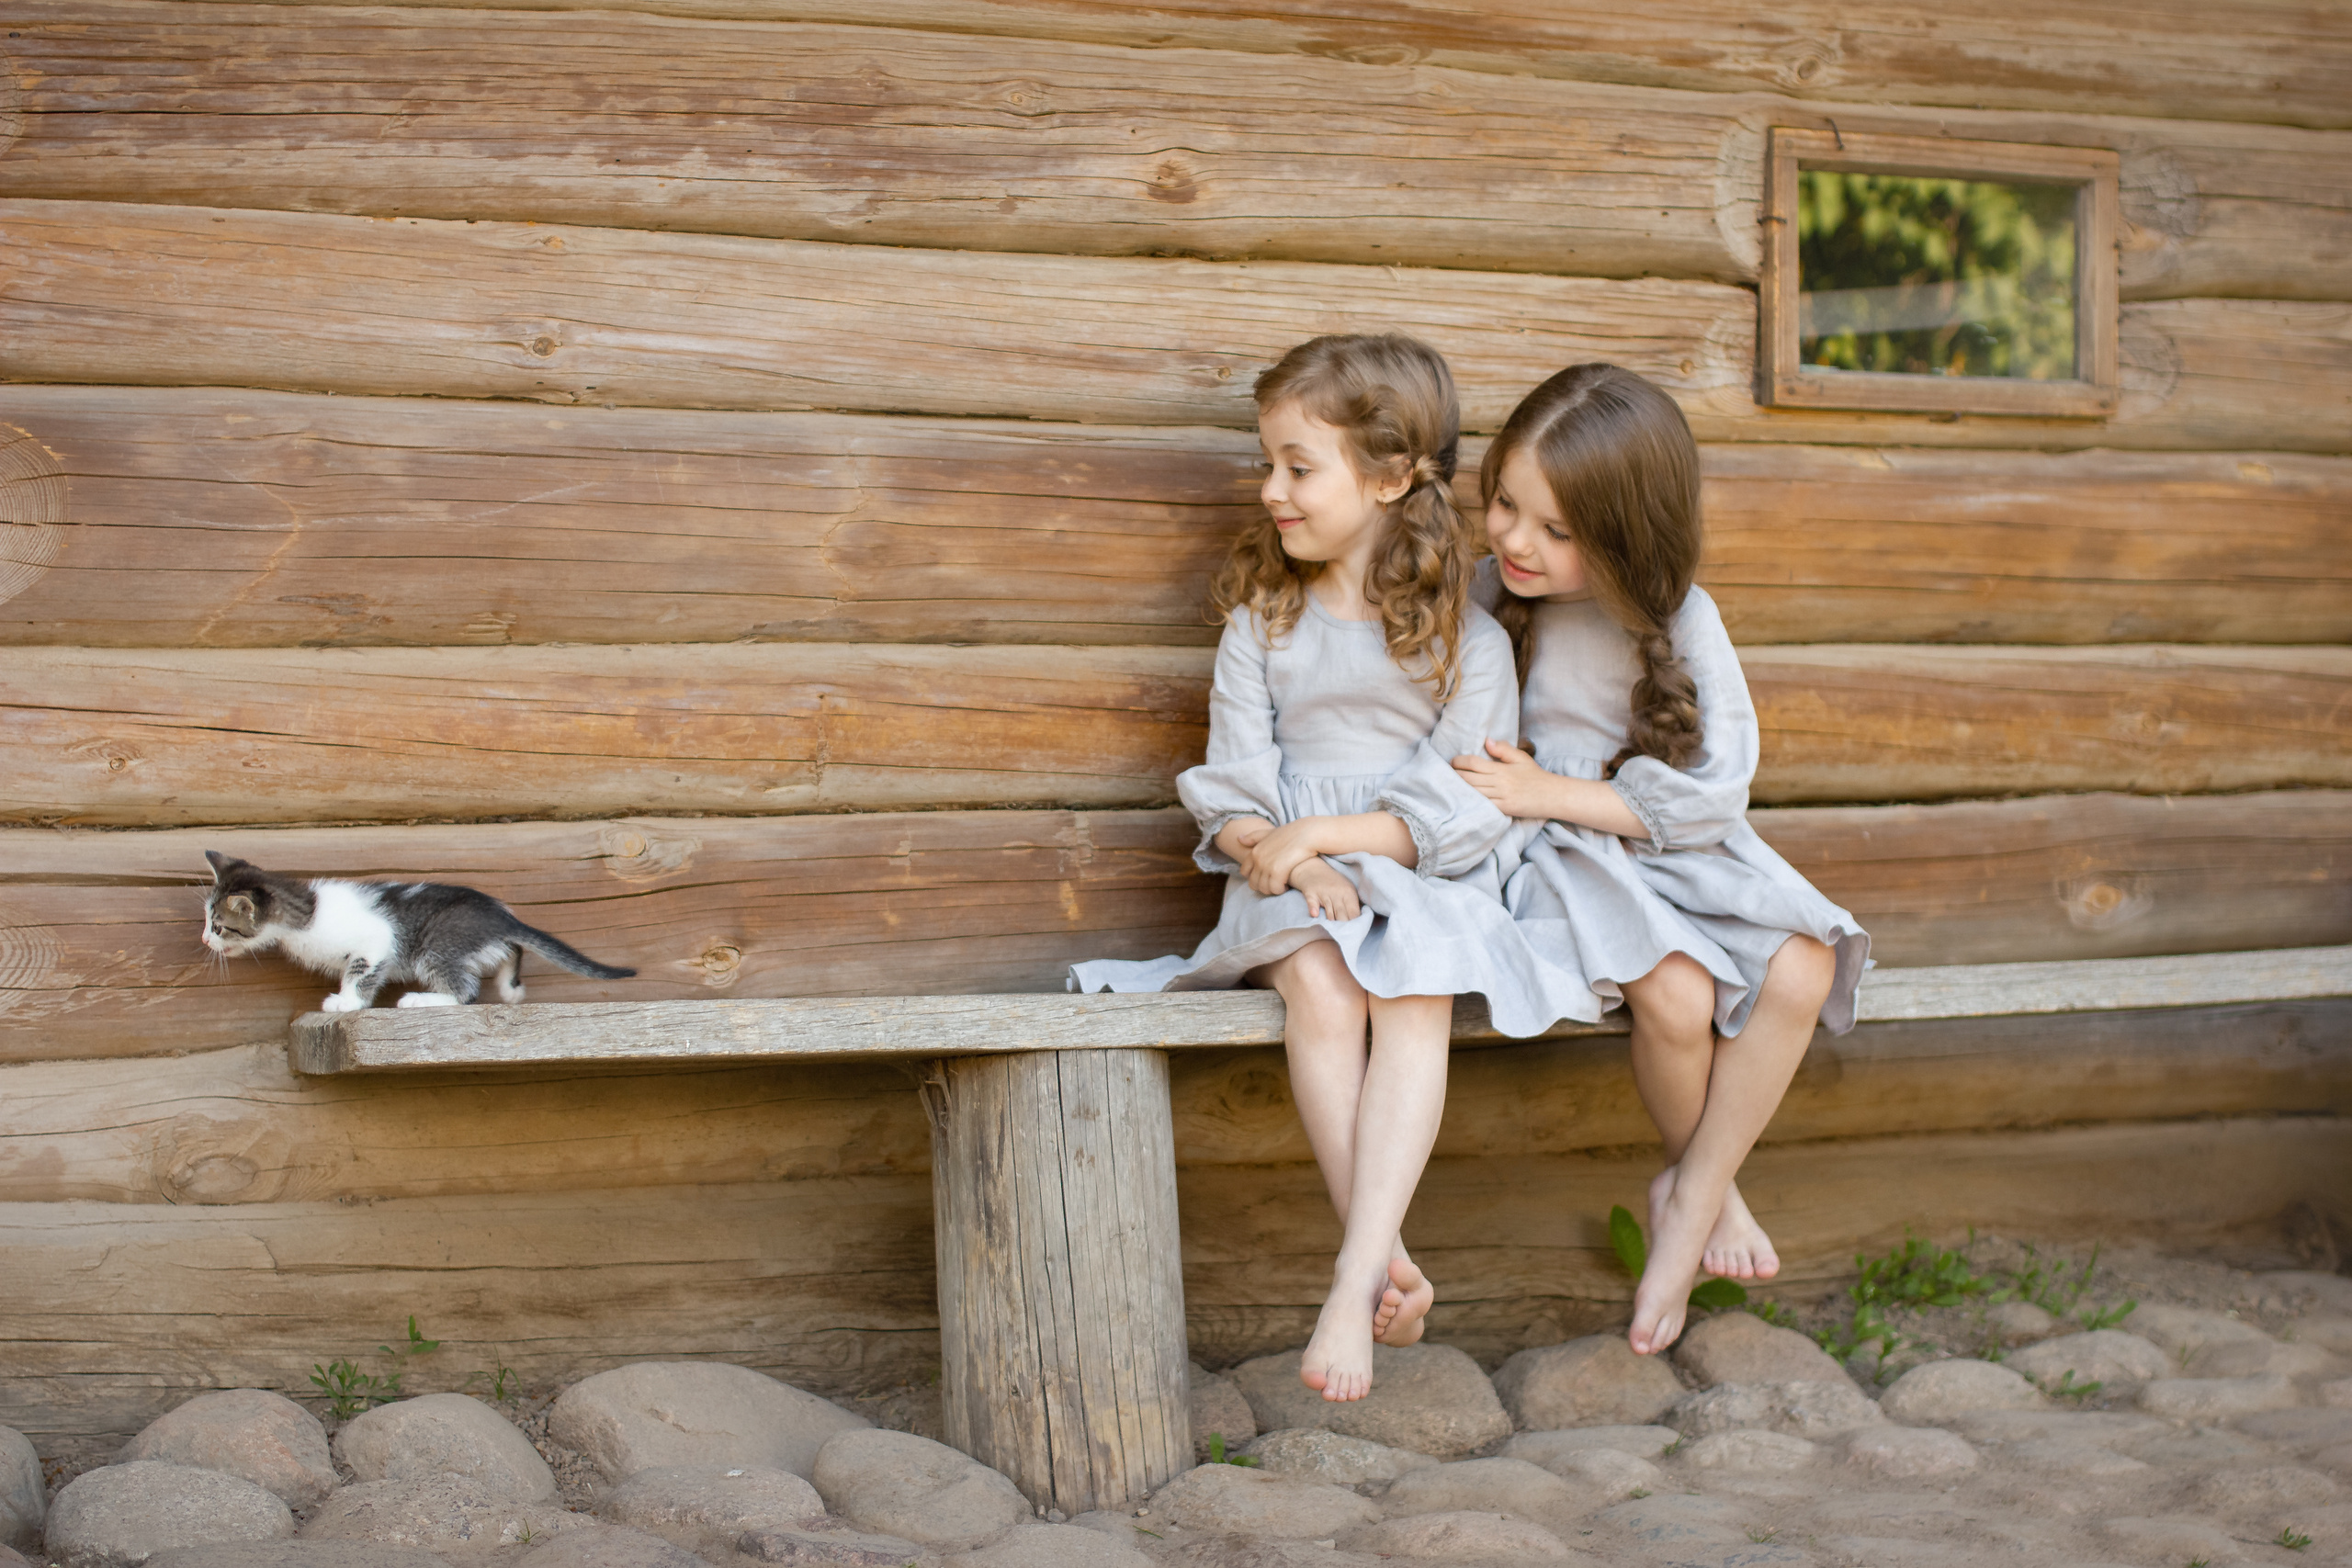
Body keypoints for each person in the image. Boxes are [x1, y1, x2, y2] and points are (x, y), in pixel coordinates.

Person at [1072, 333, 1572, 1400]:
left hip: (1418, 876)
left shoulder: (1467, 643)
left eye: (1299, 467)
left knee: (1417, 986)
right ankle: (1383, 1254)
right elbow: (1236, 793)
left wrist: (1330, 840)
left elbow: (1460, 809)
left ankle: (1352, 1283)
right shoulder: (1264, 623)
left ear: (1390, 477)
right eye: (1271, 464)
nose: (1273, 491)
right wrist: (1286, 858)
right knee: (1324, 983)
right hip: (1284, 889)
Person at [1453, 363, 1871, 1357]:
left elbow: (1714, 793)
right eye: (1506, 504)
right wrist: (1537, 799)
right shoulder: (1484, 597)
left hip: (1662, 841)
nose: (1513, 540)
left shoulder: (1683, 618)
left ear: (1626, 534)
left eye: (1555, 532)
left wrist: (1558, 789)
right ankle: (1704, 1194)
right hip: (1554, 859)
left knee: (1805, 961)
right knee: (1676, 997)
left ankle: (1691, 1194)